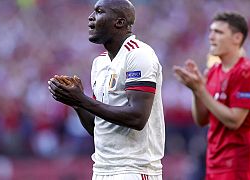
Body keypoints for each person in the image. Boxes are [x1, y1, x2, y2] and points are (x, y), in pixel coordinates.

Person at [48, 0, 165, 180]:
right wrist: (76, 104)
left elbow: (138, 117)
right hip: (102, 168)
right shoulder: (99, 63)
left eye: (99, 11)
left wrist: (82, 100)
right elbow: (99, 128)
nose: (90, 17)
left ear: (119, 22)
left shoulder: (139, 54)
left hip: (133, 169)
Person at [173, 12, 250, 180]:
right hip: (214, 163)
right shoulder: (213, 72)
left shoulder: (246, 71)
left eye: (218, 32)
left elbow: (235, 120)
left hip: (238, 166)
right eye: (211, 31)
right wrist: (196, 90)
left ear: (237, 38)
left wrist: (201, 91)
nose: (211, 37)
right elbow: (201, 120)